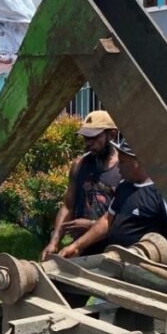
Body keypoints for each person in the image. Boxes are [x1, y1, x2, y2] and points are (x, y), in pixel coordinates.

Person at [58, 140, 167, 269]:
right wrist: (76, 246)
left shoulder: (162, 193)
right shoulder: (124, 186)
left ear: (138, 162)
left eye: (122, 162)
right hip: (118, 266)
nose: (118, 167)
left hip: (147, 274)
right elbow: (106, 221)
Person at [41, 110, 121, 259]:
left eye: (94, 137)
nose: (88, 143)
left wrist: (91, 224)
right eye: (86, 138)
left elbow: (126, 218)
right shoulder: (79, 165)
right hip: (80, 248)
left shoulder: (124, 169)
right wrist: (54, 242)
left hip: (112, 250)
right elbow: (68, 206)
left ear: (111, 135)